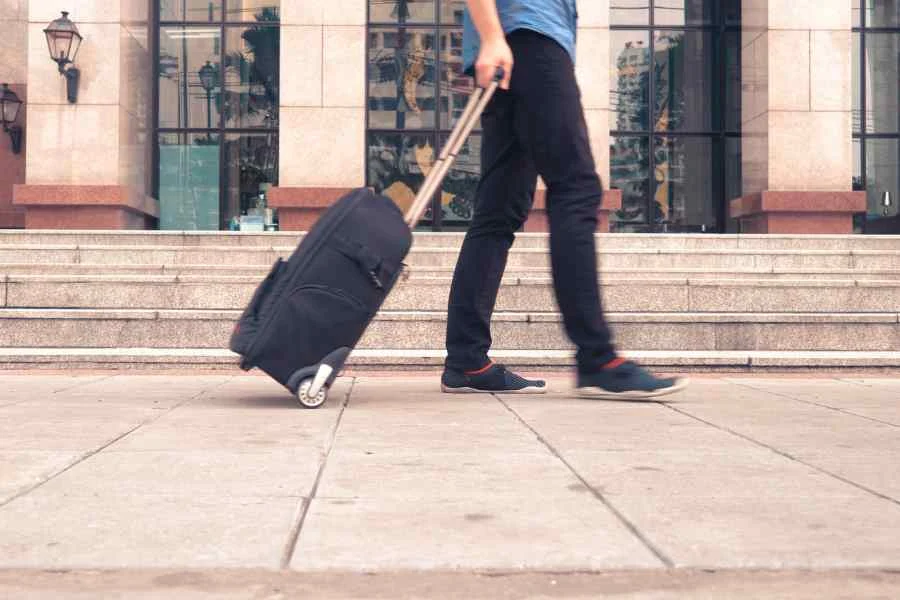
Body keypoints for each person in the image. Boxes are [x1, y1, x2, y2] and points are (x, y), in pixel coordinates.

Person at [440, 0, 689, 399]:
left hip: (518, 41)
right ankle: (598, 358)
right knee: (576, 187)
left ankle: (467, 360)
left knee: (499, 211)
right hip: (527, 38)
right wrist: (490, 36)